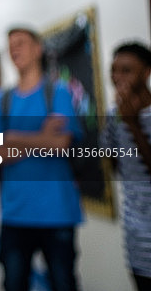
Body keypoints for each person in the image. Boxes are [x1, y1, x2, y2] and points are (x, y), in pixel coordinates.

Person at [0, 26, 82, 291]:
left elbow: (60, 144)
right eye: (10, 45)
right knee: (14, 284)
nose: (14, 49)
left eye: (21, 43)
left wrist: (12, 137)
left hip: (58, 212)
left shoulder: (58, 93)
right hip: (15, 214)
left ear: (38, 49)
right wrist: (41, 138)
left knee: (64, 283)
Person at [99, 42, 151, 291]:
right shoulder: (115, 115)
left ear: (147, 72)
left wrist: (133, 124)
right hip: (137, 240)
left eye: (127, 70)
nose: (117, 78)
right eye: (114, 70)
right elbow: (112, 163)